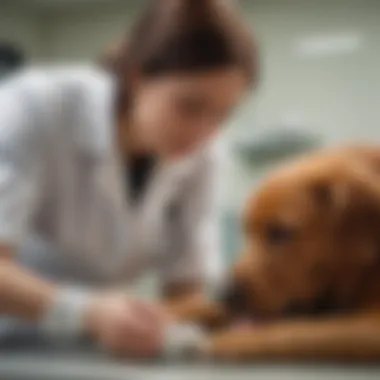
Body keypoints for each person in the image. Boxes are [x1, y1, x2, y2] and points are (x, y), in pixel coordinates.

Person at [0, 0, 258, 358]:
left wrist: (207, 326)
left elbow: (185, 287)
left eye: (223, 115)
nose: (205, 132)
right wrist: (85, 312)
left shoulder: (205, 153)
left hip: (94, 353)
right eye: (189, 106)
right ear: (138, 77)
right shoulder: (35, 107)